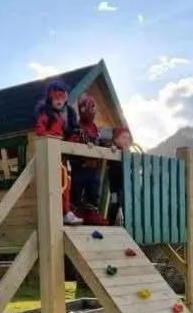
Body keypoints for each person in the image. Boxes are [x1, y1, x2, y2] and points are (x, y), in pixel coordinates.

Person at [35, 80, 83, 225]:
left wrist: (73, 138)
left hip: (63, 156)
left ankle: (67, 212)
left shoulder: (65, 116)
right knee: (57, 184)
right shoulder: (46, 115)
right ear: (50, 97)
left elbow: (68, 133)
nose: (59, 100)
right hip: (50, 155)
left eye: (62, 97)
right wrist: (51, 136)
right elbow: (40, 131)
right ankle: (62, 213)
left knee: (66, 183)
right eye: (56, 97)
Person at [68, 94, 107, 225]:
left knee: (93, 190)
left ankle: (91, 214)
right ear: (81, 110)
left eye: (92, 107)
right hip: (80, 165)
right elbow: (71, 141)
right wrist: (79, 142)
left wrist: (107, 146)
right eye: (85, 108)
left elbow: (101, 142)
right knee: (76, 189)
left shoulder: (95, 128)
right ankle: (76, 213)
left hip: (93, 166)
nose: (89, 111)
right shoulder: (78, 127)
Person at [105, 126, 133, 225]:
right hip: (114, 186)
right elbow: (107, 148)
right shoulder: (113, 148)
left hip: (123, 185)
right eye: (123, 137)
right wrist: (112, 147)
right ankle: (110, 222)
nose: (126, 140)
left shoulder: (126, 153)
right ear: (116, 139)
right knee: (114, 202)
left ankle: (120, 222)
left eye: (128, 138)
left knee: (123, 203)